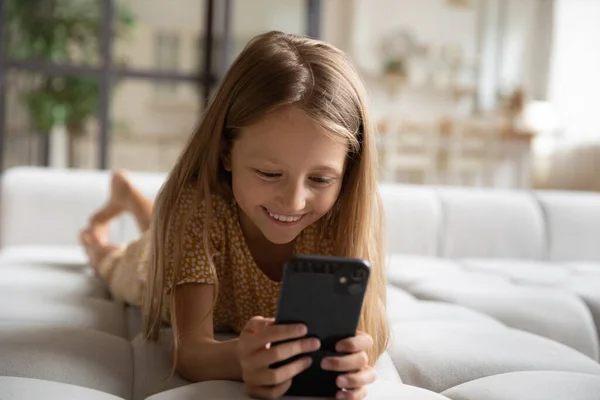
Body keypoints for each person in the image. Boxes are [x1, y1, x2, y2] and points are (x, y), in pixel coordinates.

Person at [81, 31, 389, 400]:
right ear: (226, 152)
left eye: (321, 179)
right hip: (158, 277)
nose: (293, 202)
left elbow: (366, 336)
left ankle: (132, 198)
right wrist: (240, 358)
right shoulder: (197, 209)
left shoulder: (344, 215)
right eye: (268, 173)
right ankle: (99, 236)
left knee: (169, 235)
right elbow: (190, 352)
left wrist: (352, 364)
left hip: (190, 239)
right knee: (122, 263)